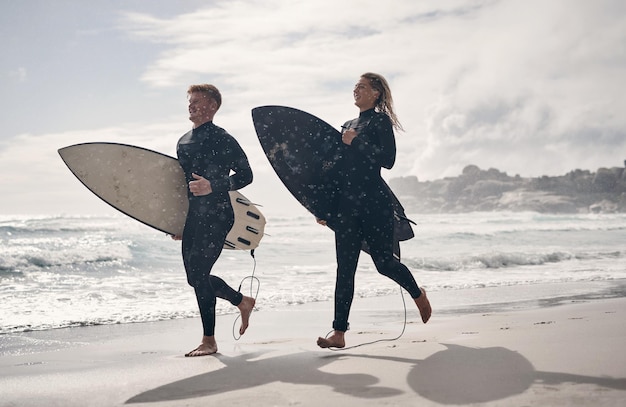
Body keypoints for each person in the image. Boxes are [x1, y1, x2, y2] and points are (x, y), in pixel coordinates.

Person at [316, 72, 432, 349]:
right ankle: (339, 332)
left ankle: (417, 293)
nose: (356, 90)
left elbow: (387, 161)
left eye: (363, 87)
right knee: (345, 269)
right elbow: (336, 172)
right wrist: (323, 208)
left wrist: (355, 141)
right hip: (345, 206)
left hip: (375, 203)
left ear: (376, 93)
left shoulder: (380, 122)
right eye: (355, 86)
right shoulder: (346, 125)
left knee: (384, 264)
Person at [173, 84, 256, 357]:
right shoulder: (183, 141)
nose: (191, 105)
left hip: (219, 214)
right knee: (194, 278)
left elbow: (246, 175)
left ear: (212, 106)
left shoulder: (223, 138)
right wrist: (177, 222)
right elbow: (183, 186)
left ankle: (209, 340)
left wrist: (214, 185)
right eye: (190, 101)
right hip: (194, 216)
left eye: (197, 101)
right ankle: (241, 301)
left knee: (199, 275)